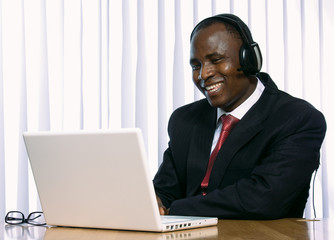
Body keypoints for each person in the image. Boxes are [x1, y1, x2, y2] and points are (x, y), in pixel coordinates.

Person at [153, 13, 326, 219]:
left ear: (248, 60)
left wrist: (176, 210)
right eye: (196, 65)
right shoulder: (184, 120)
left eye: (216, 60)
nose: (203, 75)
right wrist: (155, 202)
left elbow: (263, 199)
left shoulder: (297, 119)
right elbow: (165, 190)